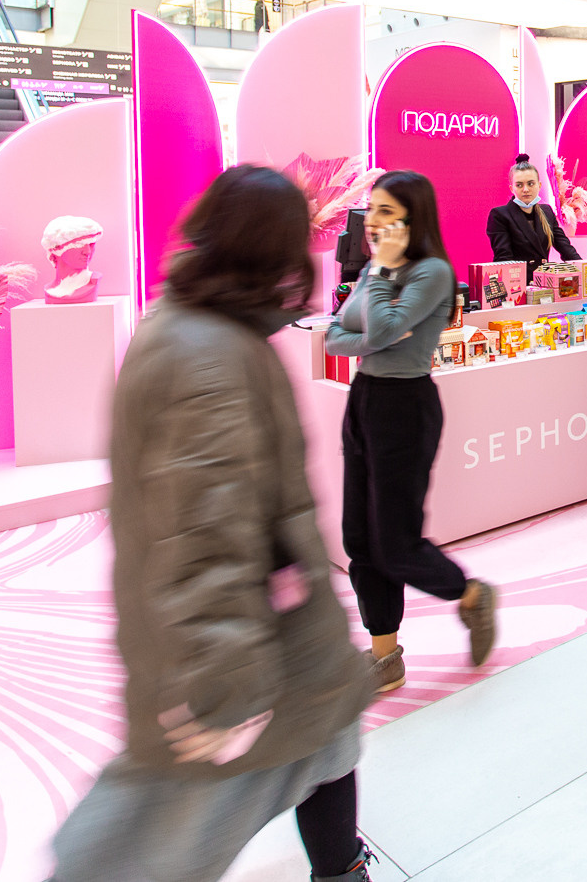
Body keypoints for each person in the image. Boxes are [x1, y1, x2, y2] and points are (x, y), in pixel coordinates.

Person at [49, 165, 379, 882]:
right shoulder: (209, 356)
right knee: (157, 831)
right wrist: (221, 681)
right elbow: (205, 531)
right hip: (242, 650)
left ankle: (345, 867)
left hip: (273, 633)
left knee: (328, 745)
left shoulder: (197, 330)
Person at [324, 171, 499, 692]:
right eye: (370, 210)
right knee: (359, 538)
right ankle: (385, 655)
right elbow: (335, 336)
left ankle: (469, 594)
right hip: (364, 401)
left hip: (405, 405)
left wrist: (378, 279)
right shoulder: (375, 273)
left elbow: (372, 329)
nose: (370, 222)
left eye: (383, 212)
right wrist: (377, 328)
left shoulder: (432, 274)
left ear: (409, 217)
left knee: (395, 543)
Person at [486, 154, 580, 275]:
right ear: (511, 188)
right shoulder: (500, 215)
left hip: (545, 283)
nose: (525, 189)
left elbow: (565, 247)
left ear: (539, 185)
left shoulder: (547, 211)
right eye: (519, 185)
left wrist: (583, 269)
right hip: (518, 285)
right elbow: (504, 260)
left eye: (530, 184)